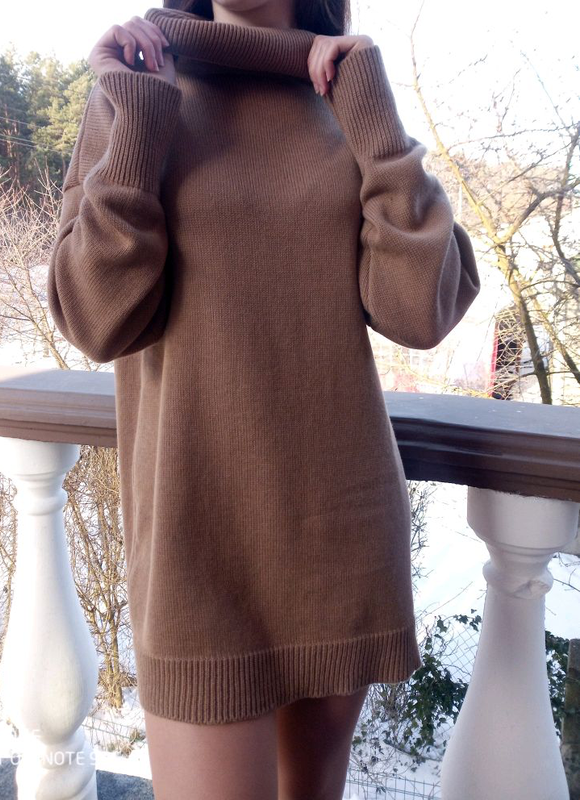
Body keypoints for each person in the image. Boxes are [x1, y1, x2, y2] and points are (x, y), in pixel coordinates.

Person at [48, 0, 481, 797]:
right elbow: (95, 319)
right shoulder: (136, 88)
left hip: (338, 537)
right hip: (195, 548)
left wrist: (373, 119)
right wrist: (141, 116)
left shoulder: (344, 94)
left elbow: (419, 311)